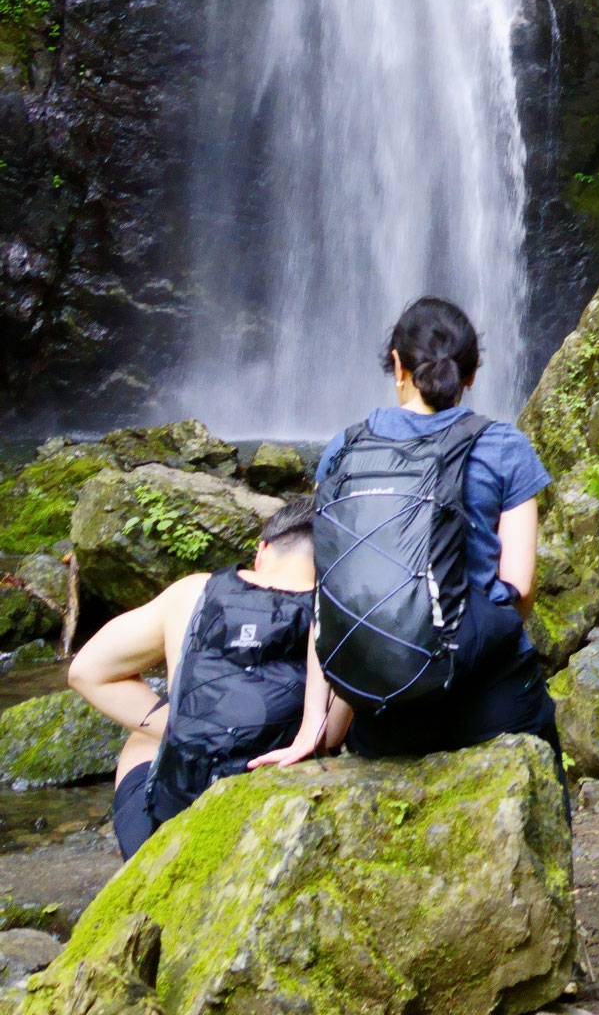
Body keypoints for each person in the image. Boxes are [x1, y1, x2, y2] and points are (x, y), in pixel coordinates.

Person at [252, 296, 559, 773]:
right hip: (491, 703)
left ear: (396, 364)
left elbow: (331, 598)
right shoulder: (505, 446)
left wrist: (314, 726)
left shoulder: (345, 448)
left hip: (385, 709)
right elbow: (519, 591)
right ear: (471, 374)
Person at [67, 495, 330, 859]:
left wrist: (177, 723)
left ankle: (143, 866)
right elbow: (330, 735)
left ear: (263, 551)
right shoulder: (338, 612)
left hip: (170, 834)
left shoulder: (194, 591)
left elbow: (86, 672)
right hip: (271, 823)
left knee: (141, 740)